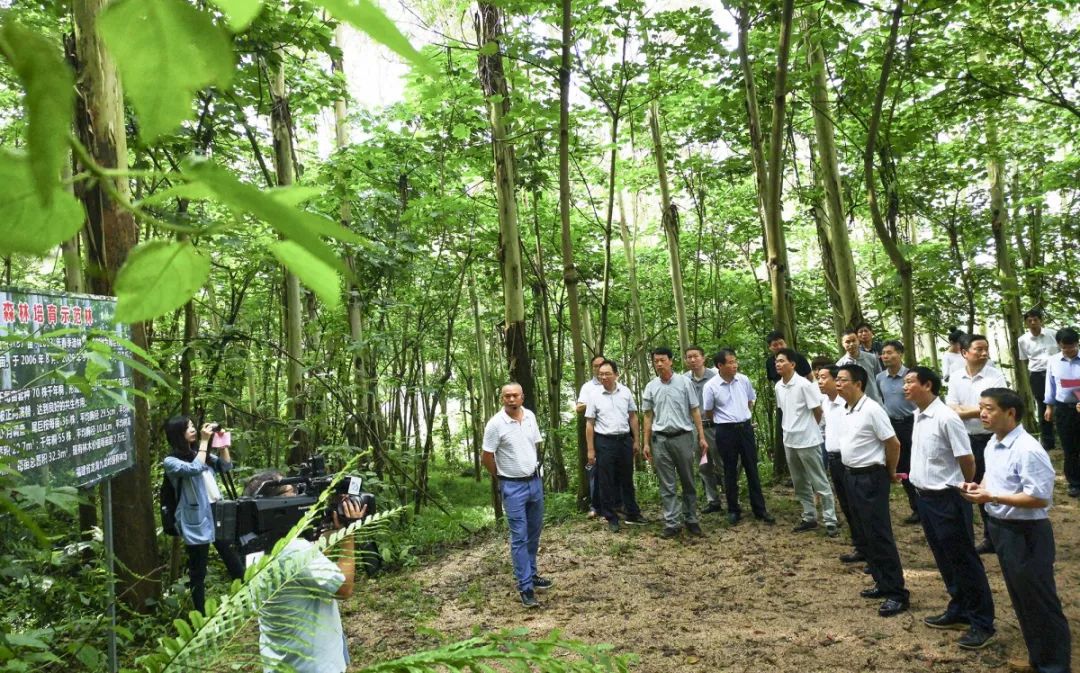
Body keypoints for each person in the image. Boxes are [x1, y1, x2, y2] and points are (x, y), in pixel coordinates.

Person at [961, 388, 1071, 673]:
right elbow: (990, 480)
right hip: (1002, 529)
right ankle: (1039, 658)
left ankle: (1055, 665)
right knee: (1022, 598)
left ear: (1010, 413)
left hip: (1027, 533)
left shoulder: (1027, 449)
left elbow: (1039, 497)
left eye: (989, 408)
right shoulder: (993, 443)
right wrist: (979, 488)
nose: (982, 414)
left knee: (1039, 600)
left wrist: (993, 497)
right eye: (980, 407)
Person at [903, 367, 996, 651]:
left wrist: (964, 486)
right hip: (925, 498)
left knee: (964, 558)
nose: (904, 387)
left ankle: (982, 622)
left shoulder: (946, 418)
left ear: (928, 385)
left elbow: (967, 459)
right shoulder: (918, 415)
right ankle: (959, 607)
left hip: (947, 498)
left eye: (910, 382)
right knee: (944, 557)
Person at [244, 471, 366, 673]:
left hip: (282, 662)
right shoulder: (294, 550)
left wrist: (328, 533)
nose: (299, 497)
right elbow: (343, 588)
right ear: (275, 505)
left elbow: (309, 571)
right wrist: (348, 535)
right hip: (315, 665)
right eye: (294, 491)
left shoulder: (255, 551)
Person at [835, 364, 908, 617]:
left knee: (879, 534)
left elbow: (893, 443)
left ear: (858, 384)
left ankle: (897, 593)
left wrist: (890, 471)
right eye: (837, 379)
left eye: (843, 380)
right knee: (865, 533)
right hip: (851, 476)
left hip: (871, 477)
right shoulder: (846, 410)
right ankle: (882, 582)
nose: (838, 383)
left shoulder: (872, 409)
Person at [163, 415, 246, 614]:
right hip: (195, 518)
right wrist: (204, 442)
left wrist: (222, 443)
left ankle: (247, 598)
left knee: (232, 558)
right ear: (177, 434)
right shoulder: (171, 461)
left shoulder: (201, 454)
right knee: (198, 570)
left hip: (216, 512)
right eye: (187, 427)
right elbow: (194, 469)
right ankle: (199, 614)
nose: (193, 428)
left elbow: (226, 466)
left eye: (193, 425)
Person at [483, 383, 552, 608]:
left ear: (522, 397)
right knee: (519, 536)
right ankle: (525, 586)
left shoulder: (530, 416)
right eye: (507, 396)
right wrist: (501, 478)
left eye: (515, 395)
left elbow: (534, 445)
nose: (511, 399)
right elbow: (487, 456)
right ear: (502, 398)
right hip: (512, 487)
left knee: (534, 532)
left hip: (534, 482)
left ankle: (532, 574)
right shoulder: (495, 424)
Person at [946, 334, 1007, 553]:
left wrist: (966, 410)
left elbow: (997, 406)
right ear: (964, 353)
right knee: (971, 485)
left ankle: (998, 534)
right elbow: (951, 408)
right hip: (965, 440)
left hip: (991, 438)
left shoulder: (995, 376)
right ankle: (985, 536)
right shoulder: (954, 377)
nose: (984, 353)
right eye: (979, 349)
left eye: (986, 349)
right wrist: (980, 409)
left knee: (993, 485)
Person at [702, 349, 774, 526]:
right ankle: (733, 510)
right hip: (725, 431)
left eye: (735, 361)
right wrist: (726, 421)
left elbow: (750, 401)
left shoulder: (743, 380)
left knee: (752, 468)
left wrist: (742, 416)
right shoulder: (711, 386)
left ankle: (760, 509)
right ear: (720, 365)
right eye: (731, 362)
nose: (735, 365)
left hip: (745, 428)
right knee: (729, 470)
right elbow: (709, 412)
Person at [642, 347, 709, 539]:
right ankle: (672, 522)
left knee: (688, 480)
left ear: (671, 361)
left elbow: (695, 410)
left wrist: (701, 436)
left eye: (663, 360)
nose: (659, 364)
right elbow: (648, 415)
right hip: (660, 440)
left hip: (683, 437)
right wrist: (646, 443)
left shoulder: (685, 383)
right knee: (667, 484)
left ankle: (691, 519)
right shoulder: (651, 386)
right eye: (656, 361)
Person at [774, 349, 838, 536]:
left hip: (808, 440)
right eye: (776, 361)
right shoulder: (778, 386)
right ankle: (809, 516)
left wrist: (810, 430)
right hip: (789, 440)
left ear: (792, 364)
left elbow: (818, 411)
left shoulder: (804, 384)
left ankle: (830, 519)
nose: (778, 364)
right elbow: (784, 411)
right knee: (799, 481)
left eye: (782, 361)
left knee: (819, 480)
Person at [585, 360, 647, 532]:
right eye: (601, 374)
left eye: (607, 373)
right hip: (604, 441)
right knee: (606, 480)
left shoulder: (625, 392)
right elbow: (590, 424)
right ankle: (611, 517)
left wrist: (636, 440)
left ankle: (632, 513)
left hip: (624, 440)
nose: (603, 377)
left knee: (627, 478)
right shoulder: (594, 395)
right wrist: (590, 449)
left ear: (616, 374)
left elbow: (633, 417)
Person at [815, 362, 863, 562]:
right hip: (834, 460)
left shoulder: (848, 405)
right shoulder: (826, 403)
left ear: (837, 381)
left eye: (824, 377)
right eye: (818, 377)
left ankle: (870, 551)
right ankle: (860, 546)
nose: (820, 381)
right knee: (846, 506)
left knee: (858, 507)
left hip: (849, 461)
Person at [876, 340, 920, 524]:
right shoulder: (880, 378)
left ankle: (924, 504)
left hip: (912, 423)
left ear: (900, 354)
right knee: (901, 467)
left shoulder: (911, 376)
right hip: (892, 425)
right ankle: (916, 508)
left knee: (915, 463)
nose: (885, 356)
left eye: (889, 352)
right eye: (883, 353)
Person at [684, 345, 724, 514]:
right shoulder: (684, 379)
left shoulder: (715, 376)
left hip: (715, 426)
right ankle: (712, 500)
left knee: (723, 463)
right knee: (703, 464)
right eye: (689, 357)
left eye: (696, 356)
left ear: (703, 358)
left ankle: (732, 498)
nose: (693, 360)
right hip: (695, 429)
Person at [1044, 326, 1080, 498]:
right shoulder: (1053, 361)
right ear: (1059, 345)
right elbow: (1051, 385)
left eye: (1071, 346)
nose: (1068, 350)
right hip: (1064, 409)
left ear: (1077, 343)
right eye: (1064, 347)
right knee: (1069, 447)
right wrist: (1049, 406)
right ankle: (1074, 483)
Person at [1017, 309, 1058, 450]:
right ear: (1026, 323)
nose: (1033, 323)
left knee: (1064, 403)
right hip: (1037, 375)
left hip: (1056, 373)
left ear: (1041, 320)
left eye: (1036, 320)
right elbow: (1024, 360)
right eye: (1030, 320)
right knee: (1042, 406)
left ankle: (1066, 436)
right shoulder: (1022, 340)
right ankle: (1048, 442)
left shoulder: (1053, 334)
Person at [576, 355, 607, 518]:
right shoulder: (588, 387)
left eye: (601, 365)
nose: (598, 368)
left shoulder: (614, 384)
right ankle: (595, 506)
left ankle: (617, 504)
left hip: (613, 434)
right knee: (594, 469)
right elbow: (579, 408)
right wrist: (595, 402)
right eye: (595, 366)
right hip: (594, 434)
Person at [837, 329, 883, 403]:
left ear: (858, 340)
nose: (851, 344)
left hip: (874, 401)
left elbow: (879, 379)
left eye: (853, 340)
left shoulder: (871, 358)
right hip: (854, 404)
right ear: (842, 344)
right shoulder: (840, 365)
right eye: (847, 342)